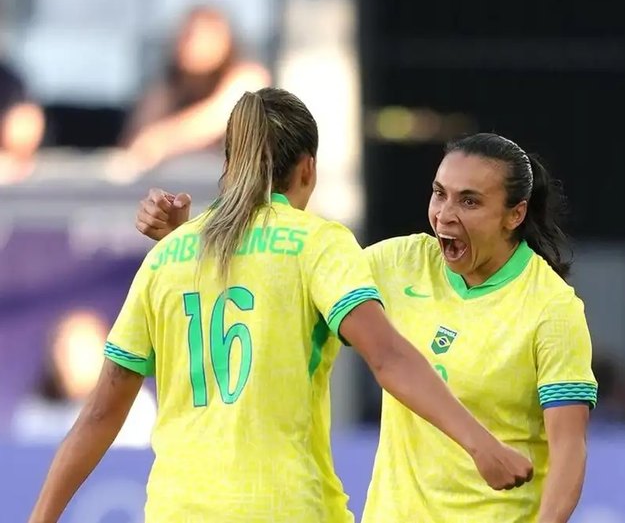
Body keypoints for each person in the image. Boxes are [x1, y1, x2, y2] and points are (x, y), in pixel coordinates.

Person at [27, 89, 532, 523]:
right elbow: (388, 357)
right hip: (283, 507)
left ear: (228, 166)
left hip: (177, 510)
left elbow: (98, 415)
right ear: (308, 168)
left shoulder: (168, 256)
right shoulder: (317, 242)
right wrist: (480, 444)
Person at [136, 132, 598, 522]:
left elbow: (569, 450)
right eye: (439, 193)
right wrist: (190, 236)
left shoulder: (550, 309)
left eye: (470, 201)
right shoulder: (398, 263)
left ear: (514, 215)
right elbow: (284, 273)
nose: (445, 214)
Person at [113, 5, 270, 176]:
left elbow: (214, 118)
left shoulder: (249, 77)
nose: (190, 44)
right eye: (185, 35)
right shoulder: (168, 87)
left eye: (201, 36)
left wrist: (159, 142)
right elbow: (137, 142)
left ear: (225, 41)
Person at [11, 308, 155, 448]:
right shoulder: (33, 416)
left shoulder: (136, 407)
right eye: (62, 353)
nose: (67, 364)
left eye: (79, 353)